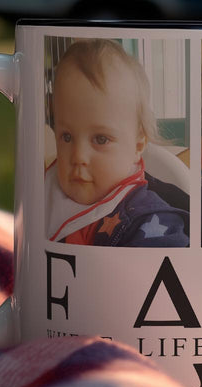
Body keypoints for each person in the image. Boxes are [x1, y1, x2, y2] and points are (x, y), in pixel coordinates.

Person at [46, 39, 189, 247]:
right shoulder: (45, 190)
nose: (78, 156)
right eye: (67, 137)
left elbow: (169, 266)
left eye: (100, 139)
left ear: (138, 146)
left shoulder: (147, 220)